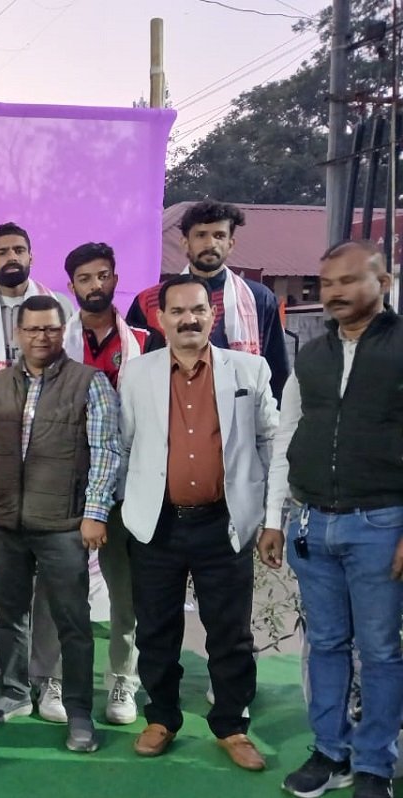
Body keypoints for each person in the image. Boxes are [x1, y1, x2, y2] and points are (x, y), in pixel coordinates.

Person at [259, 240, 403, 798]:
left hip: (382, 523)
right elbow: (287, 436)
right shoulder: (312, 354)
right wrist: (274, 518)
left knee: (381, 650)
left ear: (382, 283)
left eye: (348, 280)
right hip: (312, 522)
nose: (335, 292)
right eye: (327, 283)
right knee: (325, 645)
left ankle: (374, 765)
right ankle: (329, 752)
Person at [119, 274, 278, 771]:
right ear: (160, 319)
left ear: (213, 315)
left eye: (198, 310)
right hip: (157, 525)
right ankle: (161, 717)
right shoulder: (136, 374)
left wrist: (268, 514)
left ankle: (231, 725)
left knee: (230, 632)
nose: (189, 319)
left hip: (223, 523)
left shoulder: (249, 369)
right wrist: (126, 509)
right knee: (155, 630)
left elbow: (271, 442)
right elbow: (125, 445)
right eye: (178, 311)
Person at [0, 294, 120, 753]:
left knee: (73, 621)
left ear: (62, 331)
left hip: (63, 524)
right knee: (10, 613)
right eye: (32, 329)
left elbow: (107, 452)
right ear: (18, 334)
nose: (41, 337)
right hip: (3, 521)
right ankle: (14, 693)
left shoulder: (90, 382)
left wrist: (95, 514)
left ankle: (79, 713)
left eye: (50, 328)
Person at [27, 242, 147, 727]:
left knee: (126, 591)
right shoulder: (56, 343)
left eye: (102, 276)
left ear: (114, 279)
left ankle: (123, 679)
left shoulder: (144, 342)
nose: (95, 285)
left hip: (126, 486)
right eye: (84, 278)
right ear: (71, 286)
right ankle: (51, 678)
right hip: (66, 484)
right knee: (56, 586)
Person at [125, 200, 289, 401]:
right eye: (201, 235)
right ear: (185, 243)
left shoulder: (259, 299)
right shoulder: (149, 301)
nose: (210, 244)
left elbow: (277, 372)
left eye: (219, 236)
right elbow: (136, 369)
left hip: (241, 412)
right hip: (169, 409)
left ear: (230, 244)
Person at [0, 221, 74, 373]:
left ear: (31, 258)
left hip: (51, 387)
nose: (12, 257)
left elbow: (73, 360)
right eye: (2, 252)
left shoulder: (60, 304)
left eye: (19, 250)